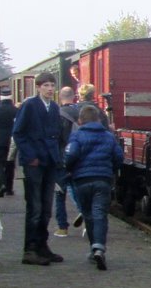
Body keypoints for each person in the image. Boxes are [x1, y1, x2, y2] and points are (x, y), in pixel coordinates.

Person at [11, 72, 63, 266]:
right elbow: (18, 132)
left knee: (46, 207)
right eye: (46, 85)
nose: (50, 89)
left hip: (50, 161)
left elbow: (58, 133)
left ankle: (42, 245)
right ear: (38, 87)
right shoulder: (30, 105)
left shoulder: (54, 107)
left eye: (52, 85)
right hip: (35, 162)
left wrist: (58, 156)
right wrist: (30, 156)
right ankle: (30, 248)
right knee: (35, 206)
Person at [63, 104, 122, 270]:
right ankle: (99, 248)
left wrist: (69, 168)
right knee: (100, 214)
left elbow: (71, 155)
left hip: (81, 181)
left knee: (88, 214)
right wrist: (111, 170)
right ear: (97, 119)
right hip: (103, 180)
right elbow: (118, 156)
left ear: (80, 120)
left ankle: (93, 248)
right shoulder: (108, 136)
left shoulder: (76, 136)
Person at [53, 86, 82, 238]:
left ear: (60, 97)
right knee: (77, 189)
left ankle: (62, 227)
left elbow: (56, 138)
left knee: (59, 194)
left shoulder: (57, 114)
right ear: (74, 97)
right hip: (79, 159)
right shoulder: (81, 113)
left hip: (61, 159)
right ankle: (84, 212)